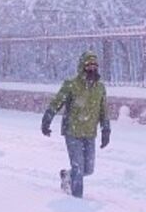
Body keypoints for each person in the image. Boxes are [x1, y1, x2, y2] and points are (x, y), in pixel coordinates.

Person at [41, 51, 111, 198]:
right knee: (78, 168)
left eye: (94, 66)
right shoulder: (71, 85)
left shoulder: (100, 88)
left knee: (88, 169)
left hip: (89, 133)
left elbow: (103, 110)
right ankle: (76, 201)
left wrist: (106, 130)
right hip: (72, 132)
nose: (92, 68)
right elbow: (56, 102)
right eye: (88, 65)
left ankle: (67, 175)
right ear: (82, 67)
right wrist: (47, 119)